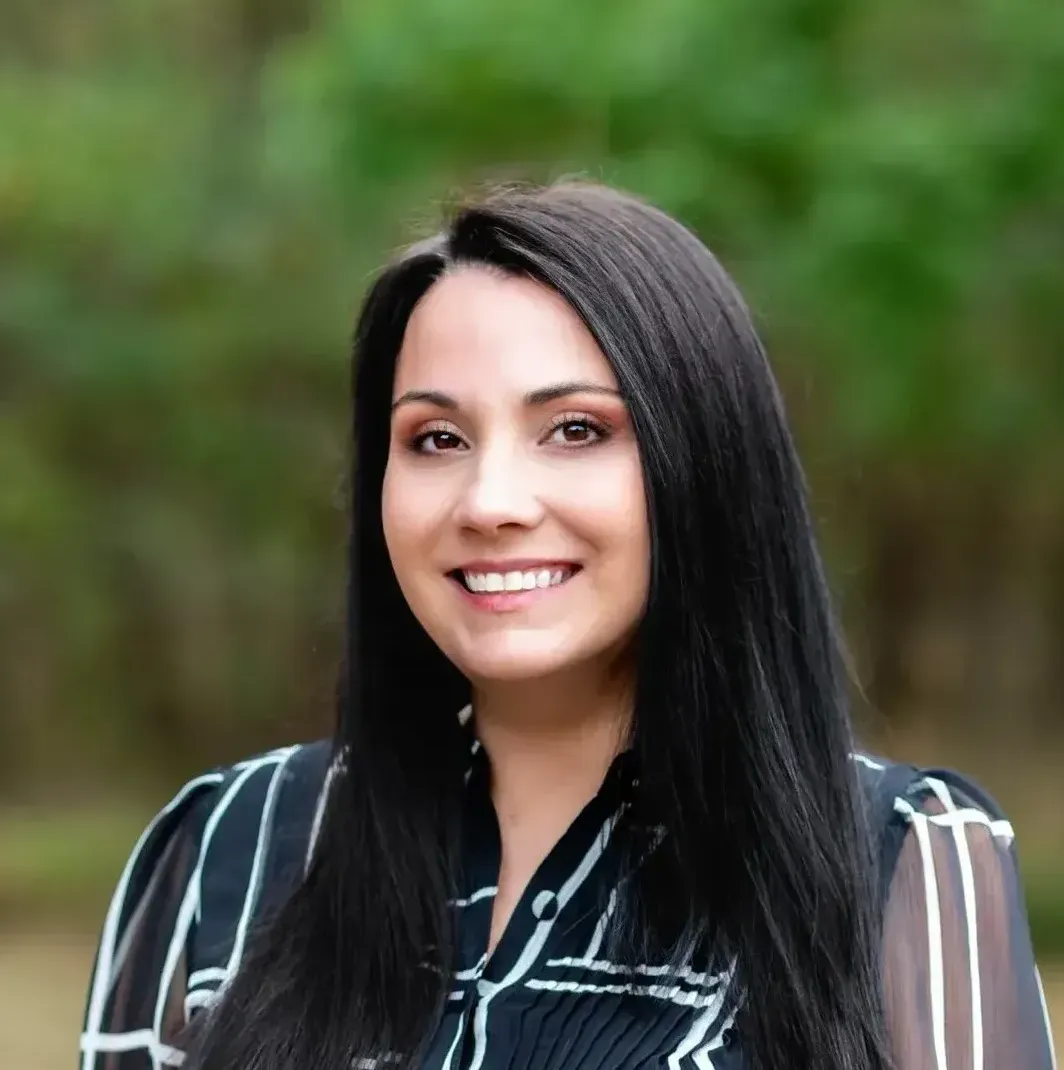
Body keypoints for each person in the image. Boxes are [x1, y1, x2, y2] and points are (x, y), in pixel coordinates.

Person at [79, 182, 1056, 1070]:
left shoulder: (899, 863)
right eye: (435, 438)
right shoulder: (225, 848)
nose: (489, 499)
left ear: (705, 463)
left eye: (576, 429)